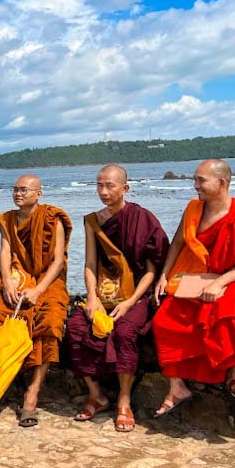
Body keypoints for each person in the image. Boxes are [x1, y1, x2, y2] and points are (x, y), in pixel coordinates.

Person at [151, 159, 235, 416]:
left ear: (221, 183)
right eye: (195, 180)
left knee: (230, 313)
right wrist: (164, 276)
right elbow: (178, 243)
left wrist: (220, 283)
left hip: (232, 279)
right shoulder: (193, 209)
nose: (194, 186)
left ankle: (233, 376)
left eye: (200, 180)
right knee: (164, 320)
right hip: (196, 278)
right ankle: (176, 387)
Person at [67, 164, 169, 432]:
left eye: (110, 186)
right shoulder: (93, 221)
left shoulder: (142, 218)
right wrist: (91, 297)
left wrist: (131, 301)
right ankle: (96, 394)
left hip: (136, 293)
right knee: (76, 327)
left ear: (125, 188)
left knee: (124, 331)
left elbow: (151, 270)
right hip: (103, 291)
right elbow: (89, 263)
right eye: (99, 185)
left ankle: (124, 400)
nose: (103, 191)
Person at [0, 174, 71, 428]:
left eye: (24, 190)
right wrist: (6, 280)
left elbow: (58, 261)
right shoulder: (7, 219)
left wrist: (39, 290)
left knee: (50, 321)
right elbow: (5, 252)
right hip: (19, 275)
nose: (18, 194)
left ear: (38, 194)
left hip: (48, 281)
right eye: (15, 189)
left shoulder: (53, 218)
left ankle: (32, 393)